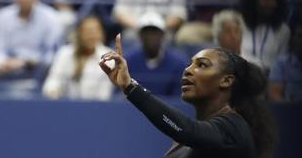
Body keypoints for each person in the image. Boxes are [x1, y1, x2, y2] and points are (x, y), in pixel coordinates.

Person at [100, 39, 276, 158]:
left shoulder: (234, 127)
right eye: (190, 63)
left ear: (226, 80)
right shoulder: (184, 141)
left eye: (201, 65)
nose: (188, 70)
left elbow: (187, 131)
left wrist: (130, 87)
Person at [42, 15, 113, 100]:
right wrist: (52, 91)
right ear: (79, 33)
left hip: (97, 107)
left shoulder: (109, 57)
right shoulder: (64, 53)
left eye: (95, 31)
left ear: (102, 34)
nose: (91, 35)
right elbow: (53, 80)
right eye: (87, 31)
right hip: (67, 106)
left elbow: (105, 95)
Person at [125, 12, 188, 96]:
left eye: (154, 32)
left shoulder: (179, 63)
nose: (150, 36)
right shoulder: (128, 61)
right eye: (146, 32)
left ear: (162, 34)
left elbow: (179, 96)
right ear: (140, 35)